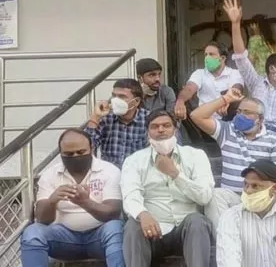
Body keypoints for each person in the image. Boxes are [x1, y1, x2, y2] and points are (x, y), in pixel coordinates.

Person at [121, 110, 216, 267]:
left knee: (197, 221)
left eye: (166, 125)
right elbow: (130, 195)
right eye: (155, 127)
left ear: (175, 130)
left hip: (187, 232)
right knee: (133, 224)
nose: (161, 130)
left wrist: (175, 174)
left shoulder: (196, 156)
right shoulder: (134, 160)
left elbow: (204, 196)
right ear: (148, 133)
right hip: (152, 231)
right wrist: (143, 214)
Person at [20, 128, 124, 267]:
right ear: (60, 153)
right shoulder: (50, 174)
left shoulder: (109, 171)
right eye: (69, 154)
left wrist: (85, 203)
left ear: (92, 148)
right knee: (32, 233)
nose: (75, 156)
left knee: (116, 228)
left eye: (81, 152)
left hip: (100, 237)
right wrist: (52, 201)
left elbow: (113, 214)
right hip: (63, 239)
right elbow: (42, 219)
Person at [223, 0, 276, 160]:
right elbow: (240, 57)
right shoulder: (256, 82)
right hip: (259, 131)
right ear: (272, 68)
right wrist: (235, 24)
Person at [190, 87, 276, 192]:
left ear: (260, 119)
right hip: (229, 196)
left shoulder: (275, 139)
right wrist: (226, 98)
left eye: (246, 112)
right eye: (239, 112)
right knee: (216, 196)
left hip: (258, 196)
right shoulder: (227, 131)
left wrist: (264, 198)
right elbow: (196, 115)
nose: (241, 116)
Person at [217, 159, 276, 267]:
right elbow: (228, 260)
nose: (248, 190)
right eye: (246, 185)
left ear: (274, 188)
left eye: (255, 186)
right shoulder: (231, 217)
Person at [85, 79, 149, 169]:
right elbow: (88, 146)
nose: (115, 100)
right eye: (114, 96)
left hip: (139, 174)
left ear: (136, 101)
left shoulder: (148, 119)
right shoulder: (106, 118)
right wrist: (95, 117)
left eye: (122, 96)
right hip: (110, 175)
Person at [174, 41, 244, 120]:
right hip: (205, 122)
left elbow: (237, 88)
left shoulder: (234, 73)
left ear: (222, 58)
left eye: (211, 54)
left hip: (229, 120)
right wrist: (180, 100)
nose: (207, 58)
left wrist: (227, 100)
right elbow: (189, 88)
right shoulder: (199, 73)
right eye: (206, 54)